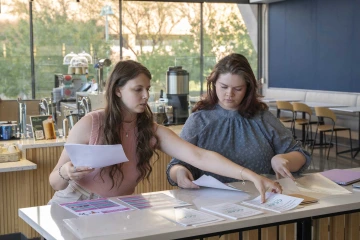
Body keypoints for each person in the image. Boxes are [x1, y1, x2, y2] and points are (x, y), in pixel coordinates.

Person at [49, 59, 282, 204]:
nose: (146, 96)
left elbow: (199, 156)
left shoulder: (151, 131)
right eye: (137, 89)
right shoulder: (91, 124)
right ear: (118, 91)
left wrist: (251, 175)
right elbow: (55, 182)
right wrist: (66, 172)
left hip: (119, 205)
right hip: (76, 202)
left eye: (147, 89)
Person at [167, 53, 311, 190]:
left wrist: (284, 159)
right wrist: (179, 171)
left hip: (261, 200)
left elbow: (300, 155)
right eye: (223, 87)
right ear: (214, 83)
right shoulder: (199, 120)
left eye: (238, 89)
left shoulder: (262, 118)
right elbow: (176, 164)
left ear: (248, 88)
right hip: (209, 203)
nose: (229, 94)